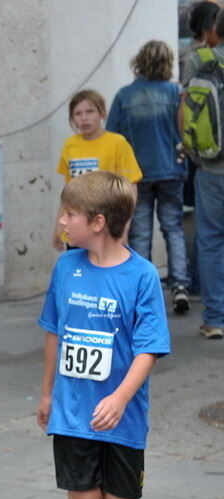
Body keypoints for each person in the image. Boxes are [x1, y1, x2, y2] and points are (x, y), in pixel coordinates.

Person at [35, 171, 170, 499]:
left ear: (97, 221)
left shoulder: (141, 276)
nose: (62, 222)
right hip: (73, 412)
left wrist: (120, 397)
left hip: (122, 416)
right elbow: (55, 330)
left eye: (69, 214)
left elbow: (150, 348)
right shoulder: (65, 268)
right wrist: (48, 393)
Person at [107, 41, 190, 314]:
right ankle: (180, 286)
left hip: (136, 175)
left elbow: (113, 136)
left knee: (140, 232)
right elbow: (186, 131)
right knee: (173, 228)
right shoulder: (176, 93)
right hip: (172, 170)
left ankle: (143, 291)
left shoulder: (124, 96)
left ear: (138, 61)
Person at [180, 9, 224, 339]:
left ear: (211, 32)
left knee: (210, 241)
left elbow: (185, 112)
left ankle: (215, 319)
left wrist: (193, 152)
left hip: (211, 166)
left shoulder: (199, 60)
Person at [54, 90, 142, 251]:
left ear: (102, 113)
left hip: (106, 225)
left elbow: (130, 188)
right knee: (79, 272)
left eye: (90, 111)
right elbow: (68, 191)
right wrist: (59, 223)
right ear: (72, 118)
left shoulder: (118, 143)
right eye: (78, 113)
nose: (84, 118)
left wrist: (125, 226)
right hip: (77, 226)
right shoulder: (69, 145)